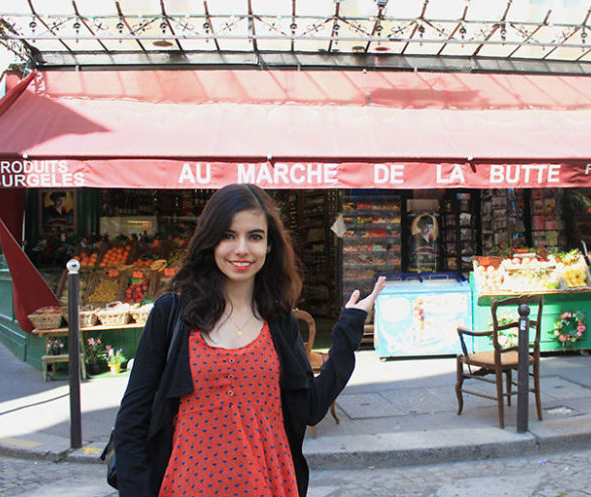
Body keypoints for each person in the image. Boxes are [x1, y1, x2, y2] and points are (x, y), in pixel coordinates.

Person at [113, 184, 386, 497]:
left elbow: (309, 408)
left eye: (255, 236)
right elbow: (132, 420)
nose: (241, 248)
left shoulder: (278, 320)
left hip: (268, 485)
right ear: (210, 240)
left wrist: (349, 330)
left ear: (269, 245)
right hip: (187, 485)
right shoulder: (173, 313)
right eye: (228, 235)